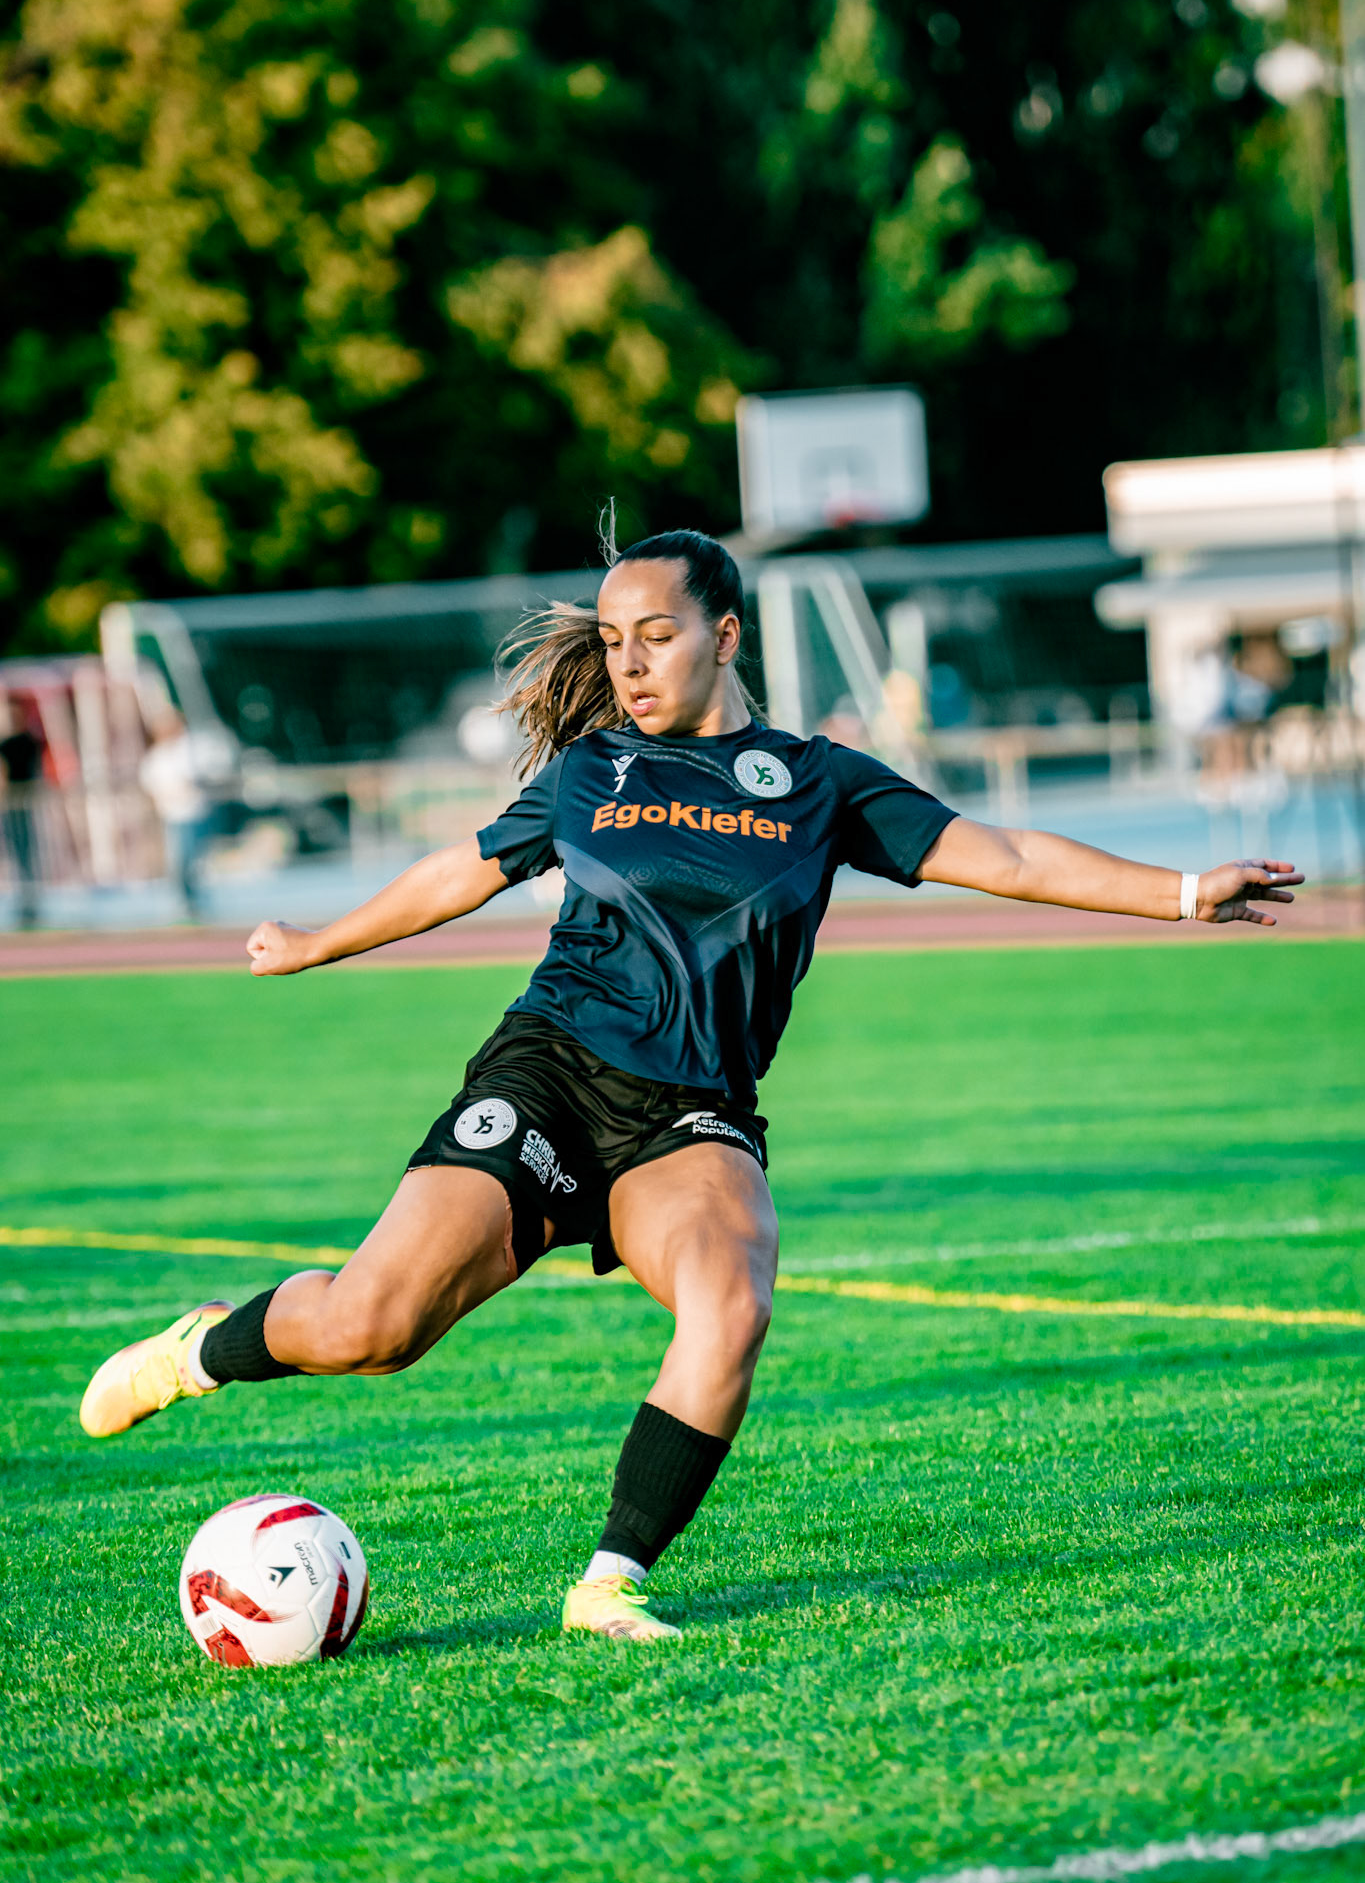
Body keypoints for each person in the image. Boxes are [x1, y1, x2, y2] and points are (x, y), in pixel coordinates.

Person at [79, 527, 1303, 1641]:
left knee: (731, 1303)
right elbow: (458, 872)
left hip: (693, 1110)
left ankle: (608, 1580)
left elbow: (1014, 853)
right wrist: (314, 940)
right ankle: (199, 1351)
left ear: (726, 634)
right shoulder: (591, 773)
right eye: (613, 642)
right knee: (370, 1328)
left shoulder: (821, 781)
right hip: (551, 1069)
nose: (629, 663)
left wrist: (1188, 891)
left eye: (655, 636)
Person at [138, 709, 231, 916]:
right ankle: (187, 903)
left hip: (194, 813)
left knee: (193, 861)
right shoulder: (157, 757)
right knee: (180, 862)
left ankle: (196, 902)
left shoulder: (190, 749)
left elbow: (210, 771)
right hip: (173, 816)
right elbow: (152, 786)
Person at [0, 692, 45, 929]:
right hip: (11, 806)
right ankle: (24, 903)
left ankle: (30, 904)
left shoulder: (28, 741)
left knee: (26, 856)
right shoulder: (6, 743)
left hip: (21, 805)